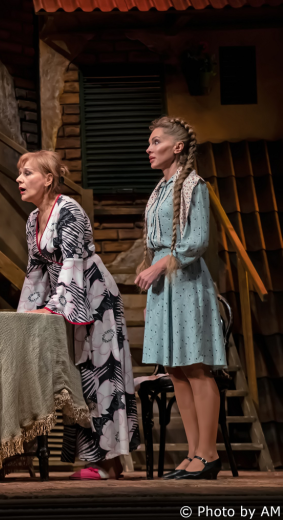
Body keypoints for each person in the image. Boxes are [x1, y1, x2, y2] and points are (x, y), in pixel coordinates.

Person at [15, 151, 139, 480]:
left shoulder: (68, 209)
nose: (19, 179)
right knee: (79, 379)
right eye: (20, 173)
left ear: (48, 179)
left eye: (27, 173)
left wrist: (54, 307)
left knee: (102, 374)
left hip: (93, 297)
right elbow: (36, 271)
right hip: (69, 299)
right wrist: (27, 313)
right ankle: (95, 460)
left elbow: (72, 264)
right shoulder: (33, 219)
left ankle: (110, 463)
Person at [136, 117, 225, 480]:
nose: (149, 148)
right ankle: (192, 453)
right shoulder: (160, 189)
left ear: (177, 147)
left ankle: (209, 453)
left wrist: (159, 267)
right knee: (175, 371)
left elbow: (197, 240)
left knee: (196, 369)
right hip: (164, 287)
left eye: (156, 142)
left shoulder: (194, 186)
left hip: (185, 280)